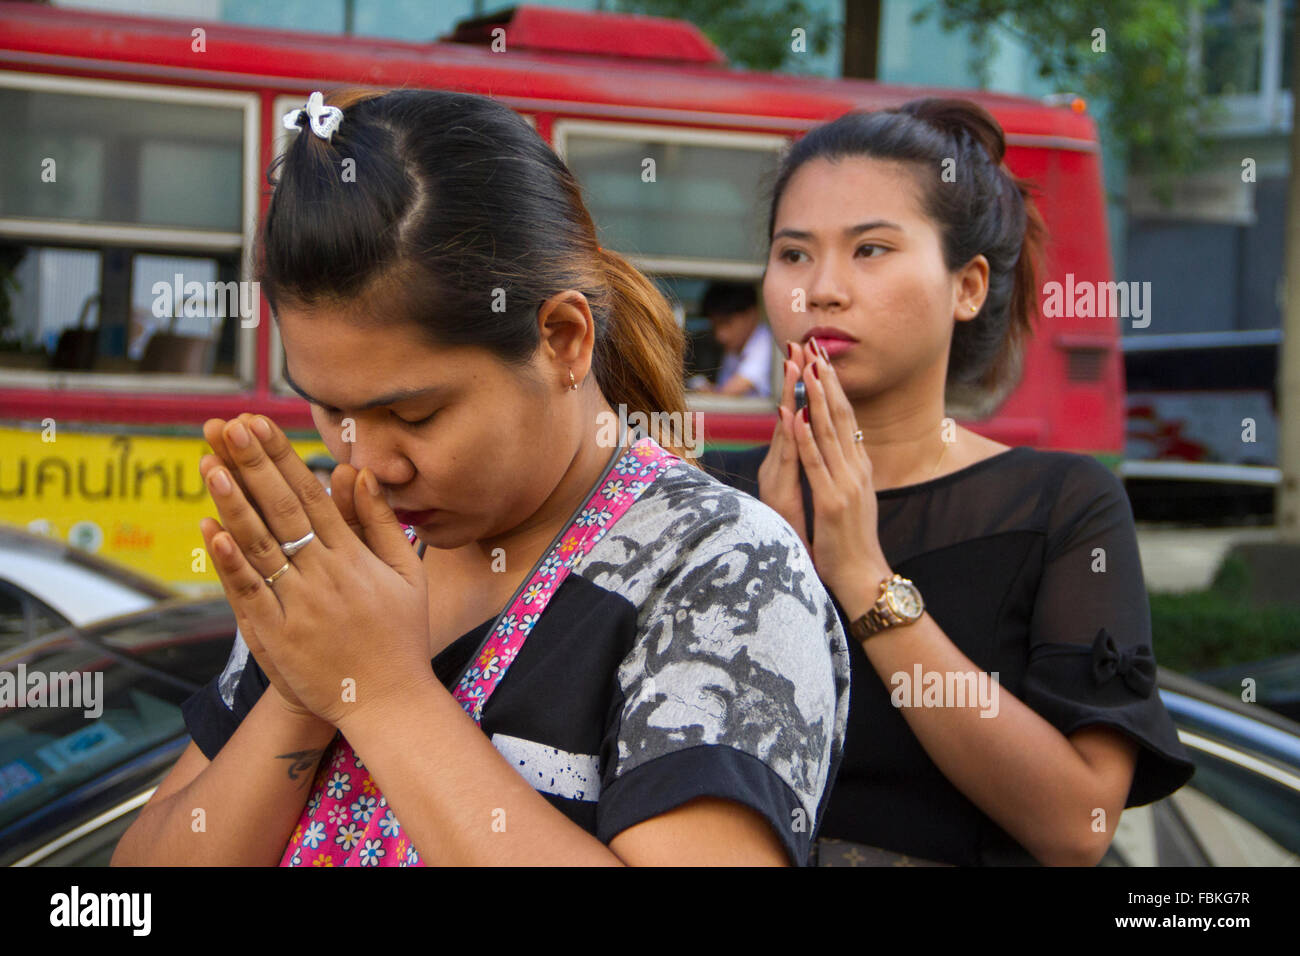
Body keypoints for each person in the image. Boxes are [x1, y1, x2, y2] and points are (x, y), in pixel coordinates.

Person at [111, 88, 849, 867]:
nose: (366, 463)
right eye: (327, 411)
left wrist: (383, 692)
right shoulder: (340, 560)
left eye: (417, 415)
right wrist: (304, 689)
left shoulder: (721, 569)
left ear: (562, 339)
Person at [703, 98, 1195, 866]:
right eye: (794, 254)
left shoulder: (1061, 505)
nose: (821, 288)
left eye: (870, 250)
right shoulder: (706, 494)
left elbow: (1076, 827)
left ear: (967, 287)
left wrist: (863, 579)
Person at [692, 281, 774, 397]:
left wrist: (707, 393)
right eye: (715, 325)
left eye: (726, 323)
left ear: (751, 315)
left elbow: (728, 394)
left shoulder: (765, 343)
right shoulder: (734, 347)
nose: (720, 335)